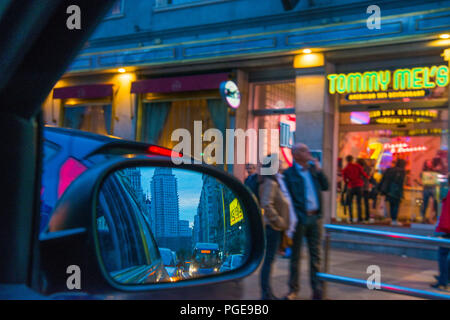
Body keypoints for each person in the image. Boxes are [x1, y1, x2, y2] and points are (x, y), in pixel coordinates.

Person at [283, 143, 329, 300]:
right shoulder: (289, 174)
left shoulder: (313, 171)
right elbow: (287, 197)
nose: (308, 152)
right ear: (295, 155)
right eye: (303, 150)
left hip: (315, 218)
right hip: (299, 218)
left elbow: (326, 186)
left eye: (307, 149)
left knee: (315, 256)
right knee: (295, 256)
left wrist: (319, 169)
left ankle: (316, 289)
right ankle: (293, 289)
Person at [258, 154, 290, 300]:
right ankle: (266, 293)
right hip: (273, 227)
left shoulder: (272, 181)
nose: (282, 165)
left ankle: (267, 292)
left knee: (270, 261)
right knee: (269, 261)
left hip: (274, 227)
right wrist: (279, 220)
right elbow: (266, 203)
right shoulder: (271, 183)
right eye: (279, 163)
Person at [430, 177, 450, 291]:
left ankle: (443, 281)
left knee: (443, 254)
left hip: (447, 229)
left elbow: (446, 213)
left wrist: (439, 229)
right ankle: (445, 277)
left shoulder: (448, 193)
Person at [379, 159, 406, 226]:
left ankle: (392, 219)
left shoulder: (390, 170)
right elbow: (401, 182)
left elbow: (384, 179)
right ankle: (394, 219)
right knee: (396, 205)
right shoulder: (402, 171)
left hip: (389, 190)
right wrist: (402, 192)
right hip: (396, 190)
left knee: (391, 205)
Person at [342, 155, 369, 223]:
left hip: (351, 186)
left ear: (347, 160)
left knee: (350, 203)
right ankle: (359, 218)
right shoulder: (357, 166)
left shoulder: (345, 169)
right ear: (352, 159)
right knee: (359, 203)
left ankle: (351, 218)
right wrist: (367, 177)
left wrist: (347, 183)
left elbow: (345, 179)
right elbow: (364, 174)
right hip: (359, 186)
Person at [357, 158, 372, 223]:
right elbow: (369, 176)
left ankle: (360, 217)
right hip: (366, 187)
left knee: (359, 203)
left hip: (360, 186)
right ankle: (367, 217)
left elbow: (359, 176)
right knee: (366, 203)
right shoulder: (368, 168)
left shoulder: (359, 168)